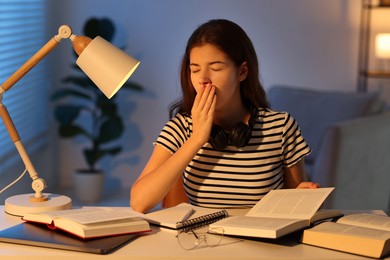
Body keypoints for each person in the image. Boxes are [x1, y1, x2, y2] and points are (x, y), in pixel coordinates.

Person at [131, 19, 319, 213]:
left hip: (262, 240)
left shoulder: (281, 127)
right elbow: (139, 202)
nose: (203, 79)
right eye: (195, 69)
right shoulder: (180, 127)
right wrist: (196, 140)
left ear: (242, 72)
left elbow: (296, 203)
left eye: (216, 68)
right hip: (200, 240)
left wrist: (303, 197)